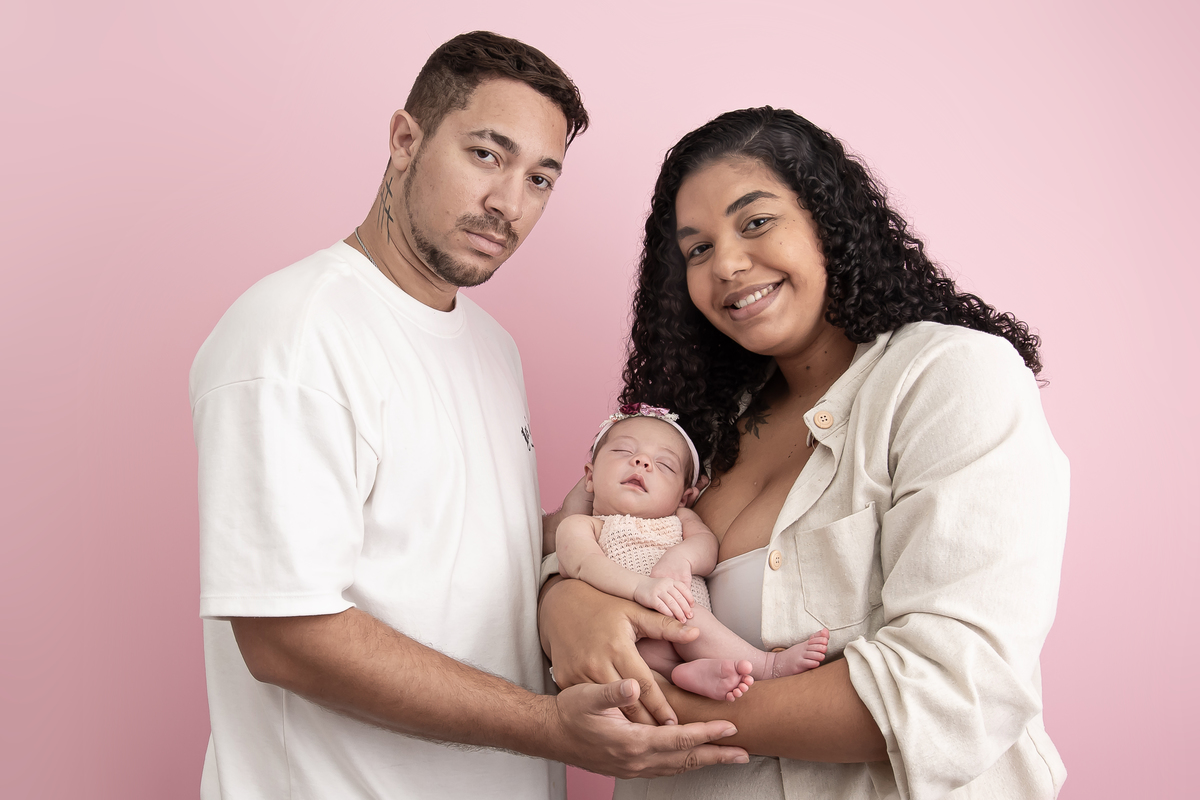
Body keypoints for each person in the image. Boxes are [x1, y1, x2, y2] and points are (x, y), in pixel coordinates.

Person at [189, 32, 747, 800]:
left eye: (539, 178)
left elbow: (453, 552)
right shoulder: (293, 333)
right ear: (404, 140)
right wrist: (549, 726)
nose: (508, 204)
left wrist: (606, 542)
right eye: (486, 154)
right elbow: (285, 638)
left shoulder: (491, 347)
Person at [539, 106, 1069, 799]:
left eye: (756, 222)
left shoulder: (949, 379)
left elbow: (956, 690)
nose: (727, 264)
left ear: (829, 221)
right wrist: (562, 603)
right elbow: (571, 535)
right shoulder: (700, 432)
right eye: (697, 249)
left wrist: (656, 709)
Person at [557, 404, 830, 702]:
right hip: (627, 635)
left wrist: (683, 557)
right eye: (624, 451)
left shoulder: (680, 519)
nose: (642, 462)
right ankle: (767, 666)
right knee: (685, 620)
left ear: (684, 497)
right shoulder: (582, 525)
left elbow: (707, 546)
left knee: (689, 619)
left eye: (665, 465)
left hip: (685, 627)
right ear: (590, 477)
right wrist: (641, 587)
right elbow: (585, 564)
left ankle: (688, 674)